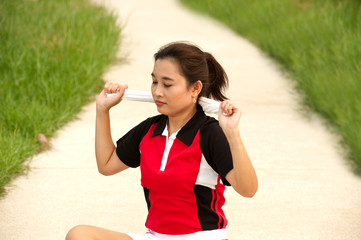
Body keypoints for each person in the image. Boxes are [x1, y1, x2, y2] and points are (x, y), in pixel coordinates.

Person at [66, 42, 258, 240]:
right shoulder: (149, 130)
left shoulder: (210, 133)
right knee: (79, 235)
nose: (157, 91)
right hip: (155, 236)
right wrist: (102, 110)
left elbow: (248, 189)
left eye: (167, 84)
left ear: (195, 88)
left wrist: (232, 133)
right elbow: (106, 165)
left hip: (200, 237)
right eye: (154, 82)